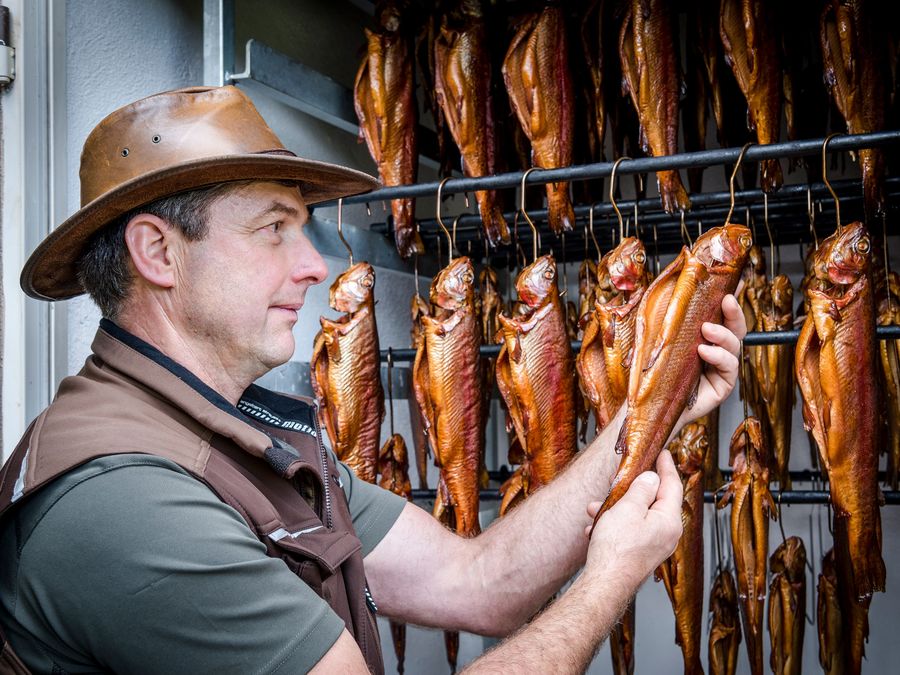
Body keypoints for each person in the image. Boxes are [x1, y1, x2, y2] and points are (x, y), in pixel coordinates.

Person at [0, 86, 745, 674]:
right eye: (273, 229)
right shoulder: (129, 501)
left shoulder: (244, 443)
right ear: (158, 253)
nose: (314, 264)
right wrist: (610, 579)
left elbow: (476, 579)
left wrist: (654, 410)